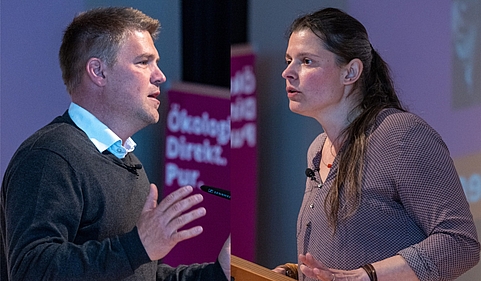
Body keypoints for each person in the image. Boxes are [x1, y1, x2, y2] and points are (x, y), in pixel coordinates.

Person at [0, 7, 229, 281]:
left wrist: (218, 274)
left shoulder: (126, 162)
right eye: (144, 62)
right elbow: (31, 271)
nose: (160, 76)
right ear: (98, 71)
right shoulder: (50, 156)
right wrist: (137, 246)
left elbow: (140, 274)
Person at [273, 7, 480, 281]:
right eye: (289, 60)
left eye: (307, 61)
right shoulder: (316, 150)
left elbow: (460, 243)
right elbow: (345, 256)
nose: (288, 72)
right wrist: (295, 273)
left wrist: (366, 277)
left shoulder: (400, 135)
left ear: (351, 73)